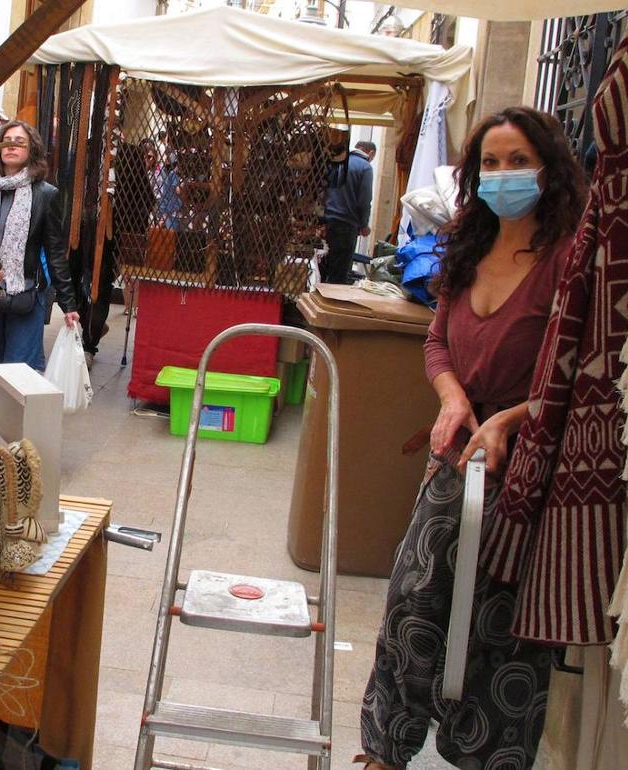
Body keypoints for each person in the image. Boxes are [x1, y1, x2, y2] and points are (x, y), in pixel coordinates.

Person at [358, 108, 587, 770]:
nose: (503, 174)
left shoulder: (570, 260)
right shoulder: (466, 245)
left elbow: (585, 374)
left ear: (548, 168)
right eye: (490, 161)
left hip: (532, 466)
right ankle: (386, 748)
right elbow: (437, 341)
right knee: (414, 596)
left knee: (503, 626)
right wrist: (453, 395)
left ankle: (484, 760)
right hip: (458, 457)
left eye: (519, 161)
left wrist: (512, 419)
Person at [0, 120, 80, 447]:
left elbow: (55, 251)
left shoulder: (45, 194)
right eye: (7, 141)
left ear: (31, 150)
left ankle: (13, 436)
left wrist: (69, 304)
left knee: (19, 370)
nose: (12, 146)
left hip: (24, 296)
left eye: (20, 141)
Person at [321, 139, 375, 284]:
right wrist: (364, 224)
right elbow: (364, 200)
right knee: (340, 272)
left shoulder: (337, 162)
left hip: (327, 220)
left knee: (327, 266)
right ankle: (332, 303)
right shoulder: (365, 167)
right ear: (369, 153)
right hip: (346, 224)